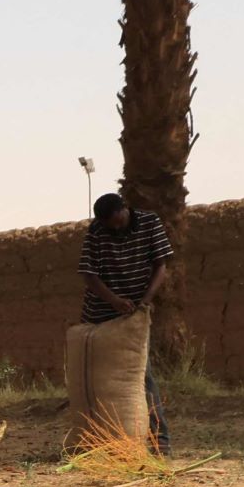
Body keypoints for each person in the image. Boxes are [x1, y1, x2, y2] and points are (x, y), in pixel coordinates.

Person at [75, 192, 174, 448]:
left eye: (118, 222)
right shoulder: (97, 231)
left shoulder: (150, 222)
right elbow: (89, 275)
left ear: (125, 208)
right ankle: (101, 439)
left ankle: (160, 441)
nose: (116, 228)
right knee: (95, 378)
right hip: (101, 312)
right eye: (110, 225)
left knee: (140, 375)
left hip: (134, 314)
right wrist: (113, 300)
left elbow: (160, 265)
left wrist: (145, 301)